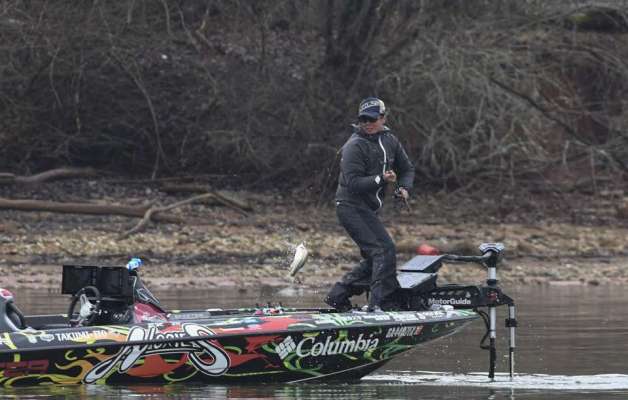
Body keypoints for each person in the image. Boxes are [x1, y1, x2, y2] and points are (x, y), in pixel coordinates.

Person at [325, 97, 415, 312]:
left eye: (372, 119)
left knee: (376, 256)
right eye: (363, 120)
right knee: (384, 250)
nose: (367, 124)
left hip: (368, 209)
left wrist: (404, 188)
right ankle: (382, 303)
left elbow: (407, 169)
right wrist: (381, 179)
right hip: (349, 206)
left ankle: (338, 295)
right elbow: (353, 183)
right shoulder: (354, 146)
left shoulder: (390, 140)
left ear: (383, 118)